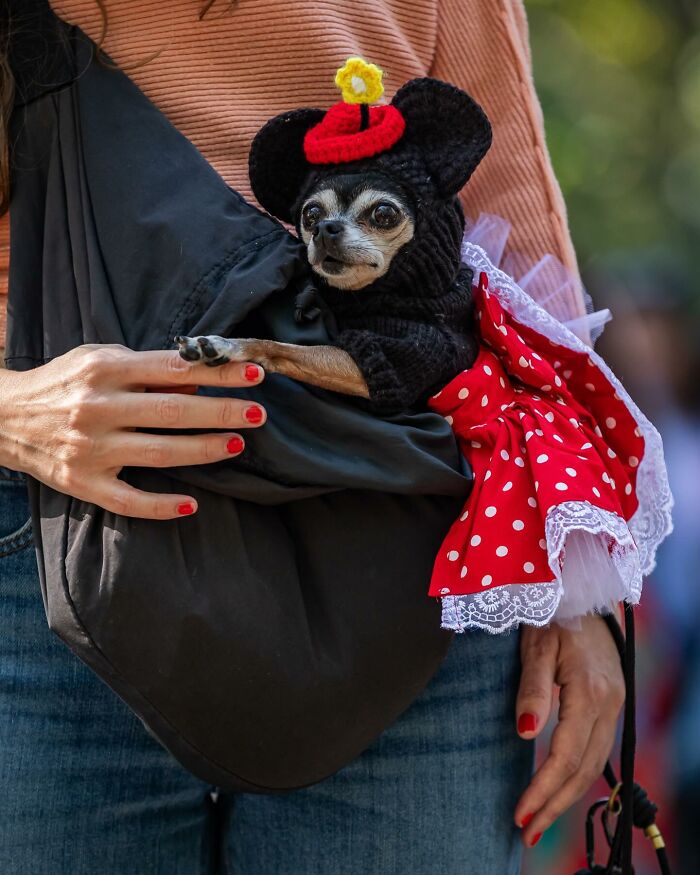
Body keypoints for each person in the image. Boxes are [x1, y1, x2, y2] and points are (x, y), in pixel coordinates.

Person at [0, 2, 626, 873]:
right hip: (50, 553)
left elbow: (516, 237)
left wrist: (581, 587)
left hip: (413, 554)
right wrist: (10, 410)